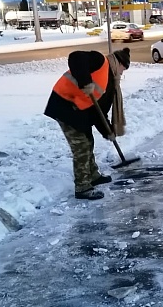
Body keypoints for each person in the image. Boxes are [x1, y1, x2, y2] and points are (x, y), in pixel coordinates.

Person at [44, 47, 131, 200]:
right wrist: (85, 81)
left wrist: (107, 131)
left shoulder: (110, 83)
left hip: (78, 111)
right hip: (64, 105)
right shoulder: (100, 60)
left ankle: (93, 176)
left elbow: (100, 113)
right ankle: (82, 187)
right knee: (81, 147)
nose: (122, 73)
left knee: (88, 141)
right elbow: (75, 57)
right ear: (119, 63)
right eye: (123, 69)